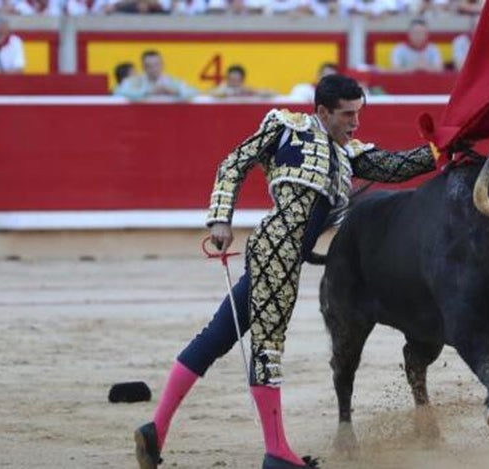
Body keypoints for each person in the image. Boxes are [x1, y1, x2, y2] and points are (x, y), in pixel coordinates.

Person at [133, 73, 437, 469]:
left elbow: (396, 166)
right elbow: (234, 163)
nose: (355, 123)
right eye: (347, 115)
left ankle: (155, 428)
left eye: (358, 114)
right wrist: (219, 219)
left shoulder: (349, 153)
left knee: (217, 336)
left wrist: (442, 148)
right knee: (268, 348)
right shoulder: (285, 128)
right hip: (276, 249)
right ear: (323, 111)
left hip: (285, 254)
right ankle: (276, 452)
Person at [114, 50, 197, 100]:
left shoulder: (171, 81)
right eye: (149, 66)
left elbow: (193, 92)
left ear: (162, 65)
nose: (154, 69)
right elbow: (118, 91)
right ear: (144, 67)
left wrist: (175, 92)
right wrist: (148, 92)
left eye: (157, 65)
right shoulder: (135, 81)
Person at [210, 64, 277, 98]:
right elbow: (211, 94)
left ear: (242, 79)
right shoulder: (222, 88)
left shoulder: (246, 90)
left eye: (237, 80)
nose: (234, 82)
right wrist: (229, 93)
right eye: (232, 79)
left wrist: (253, 91)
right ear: (228, 79)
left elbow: (273, 93)